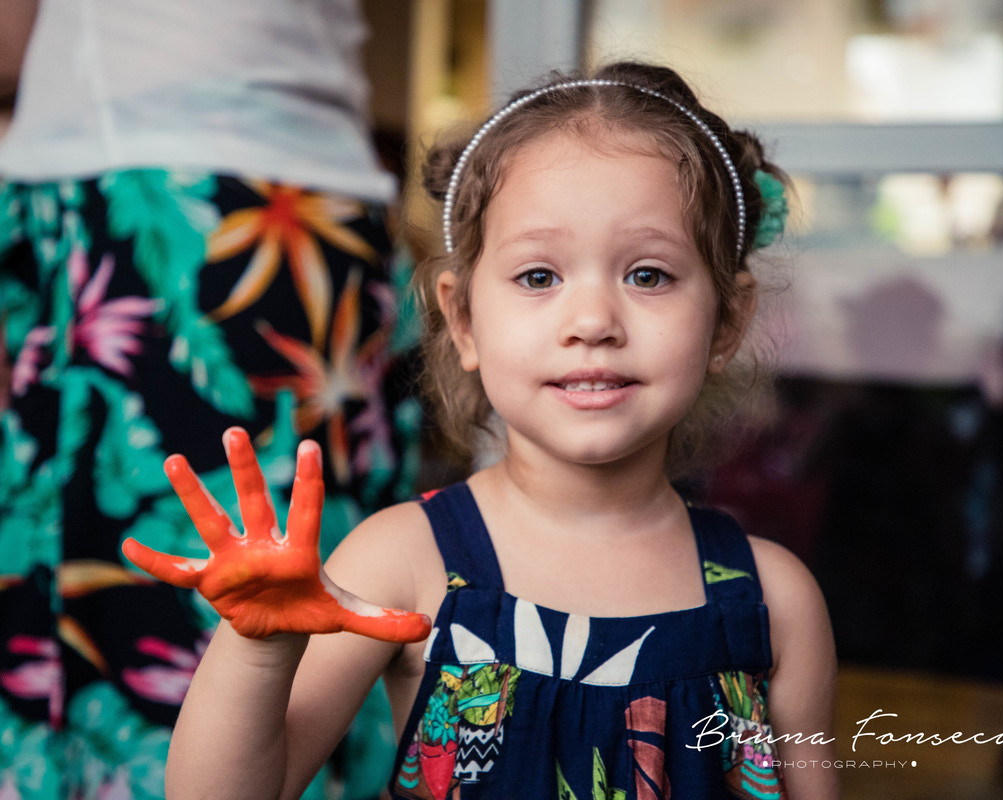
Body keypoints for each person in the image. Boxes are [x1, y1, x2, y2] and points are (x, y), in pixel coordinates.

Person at [123, 60, 840, 800]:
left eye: (648, 275)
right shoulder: (405, 562)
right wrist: (258, 653)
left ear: (727, 320)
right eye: (539, 277)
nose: (592, 321)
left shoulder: (774, 602)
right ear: (463, 319)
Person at [0, 1, 421, 797]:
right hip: (304, 231)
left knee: (161, 623)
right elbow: (133, 97)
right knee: (297, 609)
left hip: (170, 243)